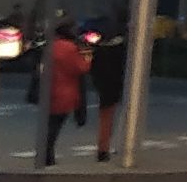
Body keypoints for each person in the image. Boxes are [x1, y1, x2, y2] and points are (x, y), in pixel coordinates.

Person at [38, 20, 88, 169]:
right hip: (66, 91)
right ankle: (48, 155)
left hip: (49, 89)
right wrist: (87, 56)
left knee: (49, 124)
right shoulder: (70, 48)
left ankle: (45, 154)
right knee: (55, 126)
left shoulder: (50, 47)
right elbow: (81, 68)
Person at [88, 17, 126, 160]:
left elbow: (93, 69)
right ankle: (105, 148)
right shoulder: (121, 50)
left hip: (104, 86)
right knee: (110, 117)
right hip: (114, 86)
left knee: (106, 117)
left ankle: (103, 147)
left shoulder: (100, 50)